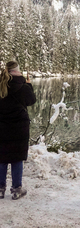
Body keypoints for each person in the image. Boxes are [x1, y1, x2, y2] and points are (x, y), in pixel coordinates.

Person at [0, 61, 36, 200]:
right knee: (17, 158)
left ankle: (0, 188)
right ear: (17, 71)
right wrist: (29, 85)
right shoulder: (23, 86)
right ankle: (16, 189)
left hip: (2, 127)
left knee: (1, 158)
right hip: (19, 128)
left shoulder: (1, 84)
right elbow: (31, 101)